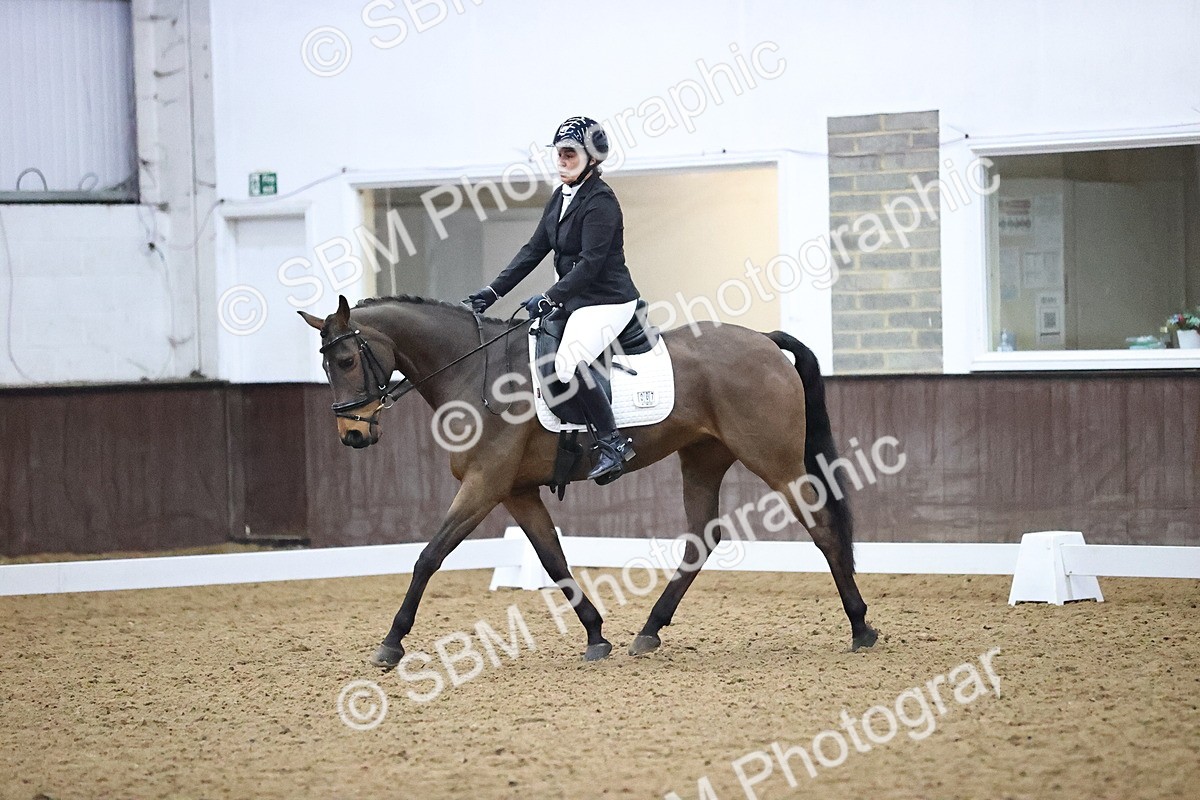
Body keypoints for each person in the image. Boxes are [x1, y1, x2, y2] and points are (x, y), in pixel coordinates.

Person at [466, 116, 641, 483]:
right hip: (575, 300)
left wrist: (549, 297)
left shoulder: (601, 202)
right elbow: (534, 250)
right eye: (559, 154)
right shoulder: (559, 198)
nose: (561, 160)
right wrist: (493, 291)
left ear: (592, 159)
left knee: (568, 362)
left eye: (569, 154)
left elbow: (591, 264)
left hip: (607, 301)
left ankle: (613, 443)